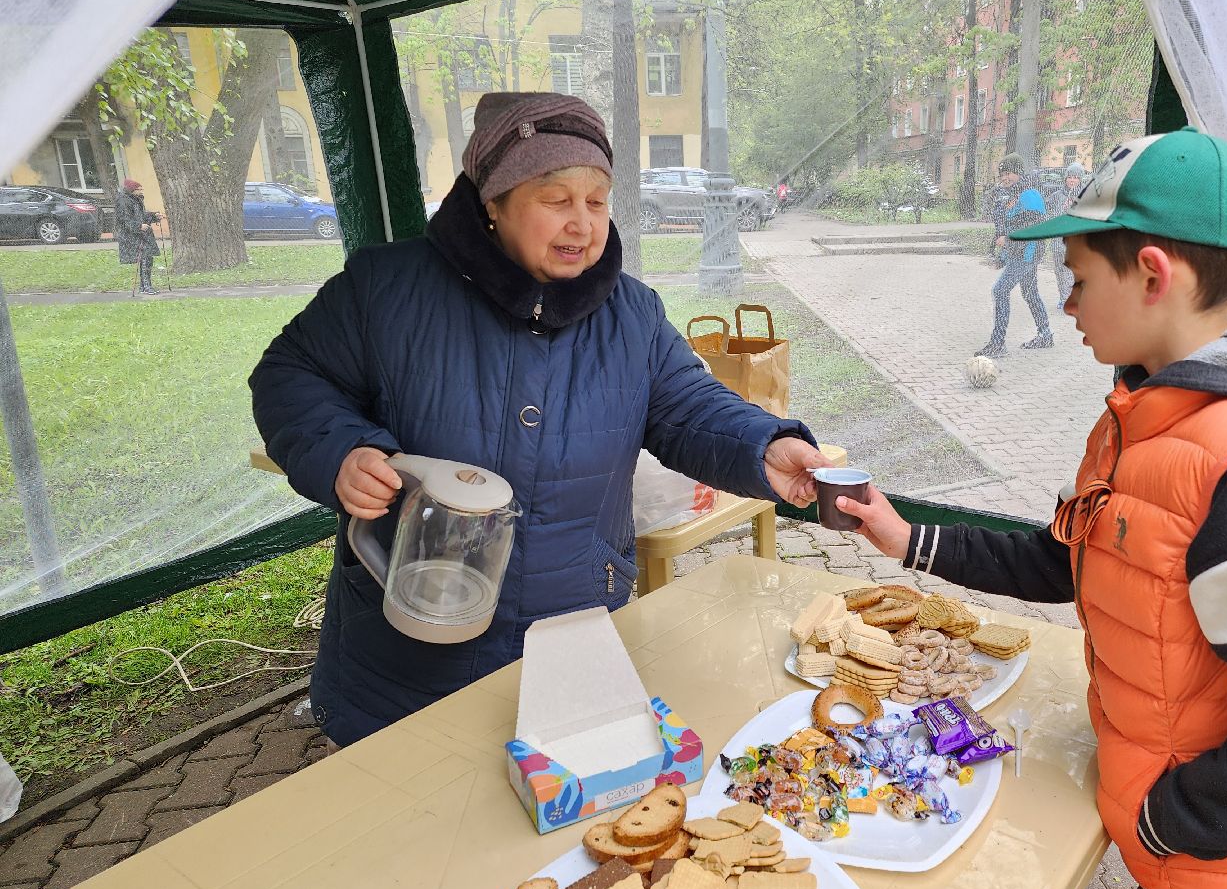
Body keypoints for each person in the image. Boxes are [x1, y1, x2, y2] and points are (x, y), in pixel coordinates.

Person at [836, 129, 1227, 889]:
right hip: (1214, 847)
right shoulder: (1149, 413)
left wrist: (1164, 823)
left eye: (1078, 277)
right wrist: (908, 540)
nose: (1064, 305)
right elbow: (1070, 557)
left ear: (1152, 273)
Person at [250, 92, 832, 747]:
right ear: (491, 204)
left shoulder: (631, 315)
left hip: (570, 634)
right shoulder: (387, 289)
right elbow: (290, 377)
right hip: (405, 648)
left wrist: (765, 446)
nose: (582, 224)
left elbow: (690, 409)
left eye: (597, 200)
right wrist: (341, 452)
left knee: (551, 824)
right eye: (556, 200)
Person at [977, 153, 1051, 356]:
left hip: (1028, 253)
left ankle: (998, 343)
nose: (1005, 178)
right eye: (1002, 174)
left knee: (1000, 291)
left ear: (1018, 172)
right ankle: (1045, 335)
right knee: (1030, 293)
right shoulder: (1012, 196)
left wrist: (1008, 240)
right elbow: (1009, 225)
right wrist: (1001, 256)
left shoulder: (1030, 194)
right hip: (1020, 254)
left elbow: (1033, 226)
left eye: (1008, 173)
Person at [1044, 161, 1087, 310]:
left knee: (1071, 270)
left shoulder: (1085, 196)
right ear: (1065, 178)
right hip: (1057, 240)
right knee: (1059, 270)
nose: (1072, 180)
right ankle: (1063, 297)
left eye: (1076, 177)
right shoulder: (1057, 195)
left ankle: (1073, 298)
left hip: (1075, 240)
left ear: (1080, 179)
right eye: (1070, 177)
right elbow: (1047, 212)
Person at [115, 178, 161, 295]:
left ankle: (144, 286)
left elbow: (140, 215)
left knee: (147, 258)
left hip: (140, 233)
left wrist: (154, 216)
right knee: (145, 257)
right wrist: (138, 226)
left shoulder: (135, 199)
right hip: (131, 235)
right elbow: (124, 219)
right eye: (138, 189)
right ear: (132, 190)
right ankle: (146, 286)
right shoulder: (123, 201)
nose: (141, 191)